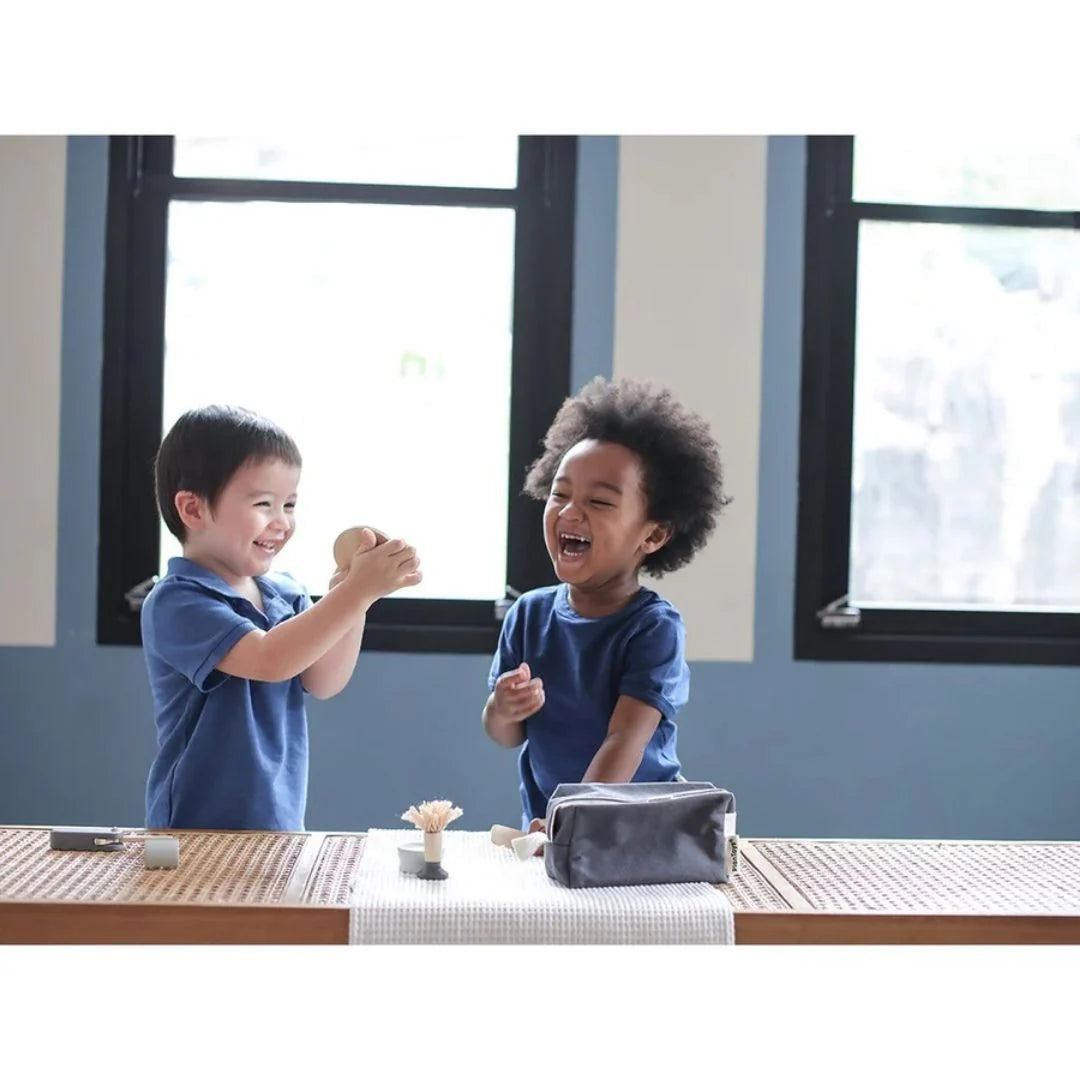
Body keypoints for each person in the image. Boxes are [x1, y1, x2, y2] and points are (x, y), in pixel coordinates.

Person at [141, 404, 421, 831]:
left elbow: (324, 680)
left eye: (289, 504)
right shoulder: (177, 602)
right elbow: (270, 660)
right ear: (193, 510)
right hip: (194, 828)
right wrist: (354, 591)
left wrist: (355, 596)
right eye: (263, 503)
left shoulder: (284, 592)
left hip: (277, 821)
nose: (282, 522)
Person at [483, 376, 729, 830]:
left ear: (652, 535)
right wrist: (503, 708)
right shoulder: (528, 615)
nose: (570, 512)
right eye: (560, 494)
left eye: (599, 501)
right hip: (553, 827)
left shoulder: (653, 628)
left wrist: (571, 820)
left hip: (637, 830)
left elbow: (624, 739)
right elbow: (505, 734)